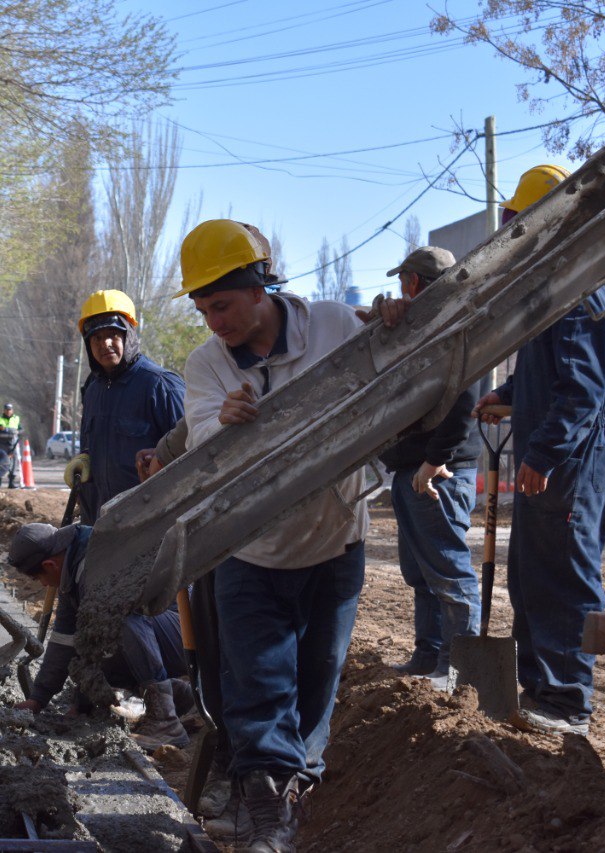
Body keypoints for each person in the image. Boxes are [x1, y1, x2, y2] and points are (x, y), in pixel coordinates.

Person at [176, 219, 369, 851]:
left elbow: (394, 371)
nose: (214, 322)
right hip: (248, 549)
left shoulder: (334, 327)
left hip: (333, 538)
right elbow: (201, 434)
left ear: (261, 288)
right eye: (203, 309)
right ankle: (264, 815)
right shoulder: (205, 365)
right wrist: (223, 424)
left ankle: (292, 800)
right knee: (259, 684)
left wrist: (397, 318)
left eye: (223, 305)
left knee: (317, 683)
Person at [474, 164, 605, 736]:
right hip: (557, 456)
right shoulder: (555, 285)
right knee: (532, 576)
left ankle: (567, 701)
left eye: (519, 223)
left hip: (572, 462)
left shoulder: (579, 288)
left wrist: (542, 455)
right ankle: (540, 690)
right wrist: (506, 394)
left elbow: (582, 390)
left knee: (563, 579)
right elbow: (551, 374)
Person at [373, 247, 483, 688]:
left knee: (448, 570)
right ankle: (430, 655)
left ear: (414, 283)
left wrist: (434, 460)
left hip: (439, 471)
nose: (401, 291)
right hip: (415, 467)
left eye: (403, 284)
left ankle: (460, 668)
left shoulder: (453, 330)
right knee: (422, 571)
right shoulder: (427, 328)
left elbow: (465, 400)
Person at [8, 523, 192, 750]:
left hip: (186, 632)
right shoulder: (74, 570)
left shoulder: (96, 566)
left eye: (39, 579)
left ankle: (166, 722)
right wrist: (40, 699)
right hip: (160, 630)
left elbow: (92, 644)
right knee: (99, 637)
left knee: (112, 624)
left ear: (50, 564)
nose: (44, 585)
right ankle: (176, 695)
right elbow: (65, 642)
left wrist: (81, 699)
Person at [64, 290, 185, 521]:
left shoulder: (161, 385)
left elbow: (190, 455)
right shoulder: (92, 390)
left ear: (129, 335)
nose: (105, 344)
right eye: (96, 338)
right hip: (100, 521)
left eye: (113, 335)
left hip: (148, 521)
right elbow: (92, 448)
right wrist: (85, 459)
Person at [0, 402, 23, 488]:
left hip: (13, 444)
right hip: (2, 444)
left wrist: (17, 431)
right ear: (4, 410)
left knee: (13, 463)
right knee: (0, 462)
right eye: (6, 410)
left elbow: (21, 430)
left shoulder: (16, 419)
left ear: (12, 410)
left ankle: (11, 483)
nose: (8, 411)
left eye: (10, 410)